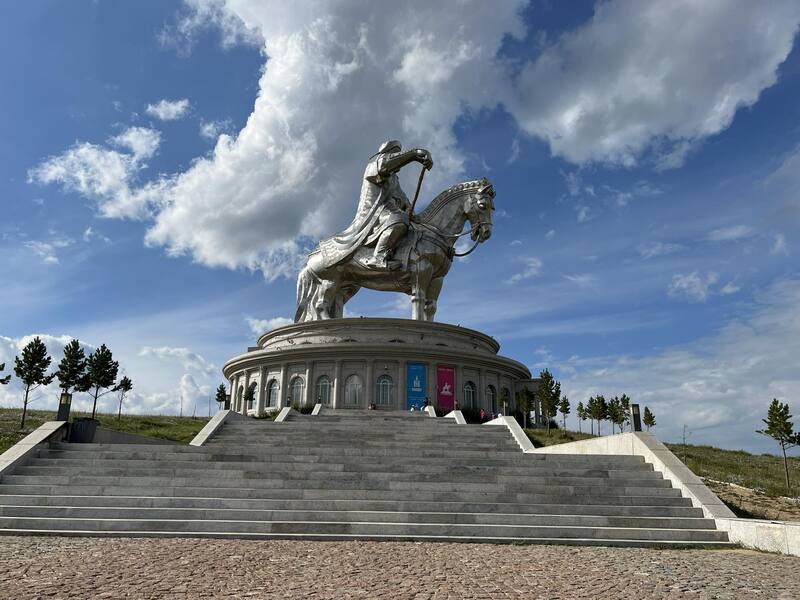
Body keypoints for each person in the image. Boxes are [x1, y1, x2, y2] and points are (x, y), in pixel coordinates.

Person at [319, 140, 434, 271]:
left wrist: (409, 209)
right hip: (374, 213)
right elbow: (384, 166)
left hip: (387, 211)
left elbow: (402, 198)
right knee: (398, 219)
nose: (397, 157)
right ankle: (378, 257)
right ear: (385, 154)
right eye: (394, 154)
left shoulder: (394, 179)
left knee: (412, 227)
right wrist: (414, 154)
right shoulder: (374, 166)